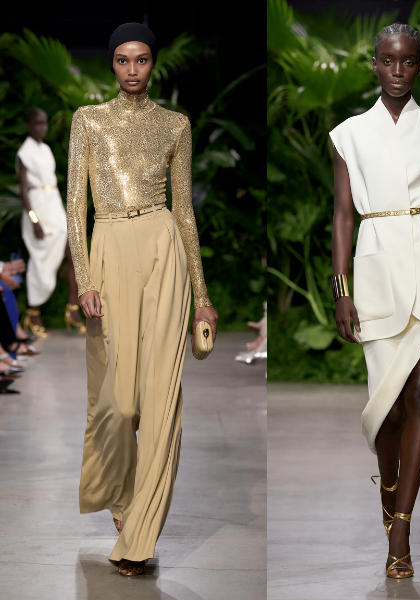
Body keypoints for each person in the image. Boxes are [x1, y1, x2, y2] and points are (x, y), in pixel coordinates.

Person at [67, 23, 218, 577]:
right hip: (108, 247)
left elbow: (184, 211)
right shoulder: (88, 120)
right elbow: (74, 207)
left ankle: (140, 536)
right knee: (118, 403)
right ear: (112, 64)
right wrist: (84, 279)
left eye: (143, 60)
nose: (133, 70)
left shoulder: (175, 124)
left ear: (154, 65)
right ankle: (121, 495)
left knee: (159, 402)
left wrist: (201, 296)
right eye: (123, 60)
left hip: (162, 249)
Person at [330, 23, 420, 579]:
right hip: (375, 271)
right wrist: (341, 291)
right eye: (388, 61)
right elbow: (342, 216)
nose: (397, 71)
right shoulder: (348, 135)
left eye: (408, 61)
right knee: (390, 406)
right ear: (374, 64)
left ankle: (402, 530)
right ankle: (389, 492)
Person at [16, 107, 83, 337]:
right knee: (40, 262)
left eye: (44, 123)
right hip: (38, 211)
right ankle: (33, 313)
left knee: (74, 254)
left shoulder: (45, 149)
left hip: (54, 207)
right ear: (28, 126)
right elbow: (23, 191)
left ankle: (73, 309)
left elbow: (51, 184)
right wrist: (34, 220)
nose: (41, 128)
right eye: (37, 123)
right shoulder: (24, 153)